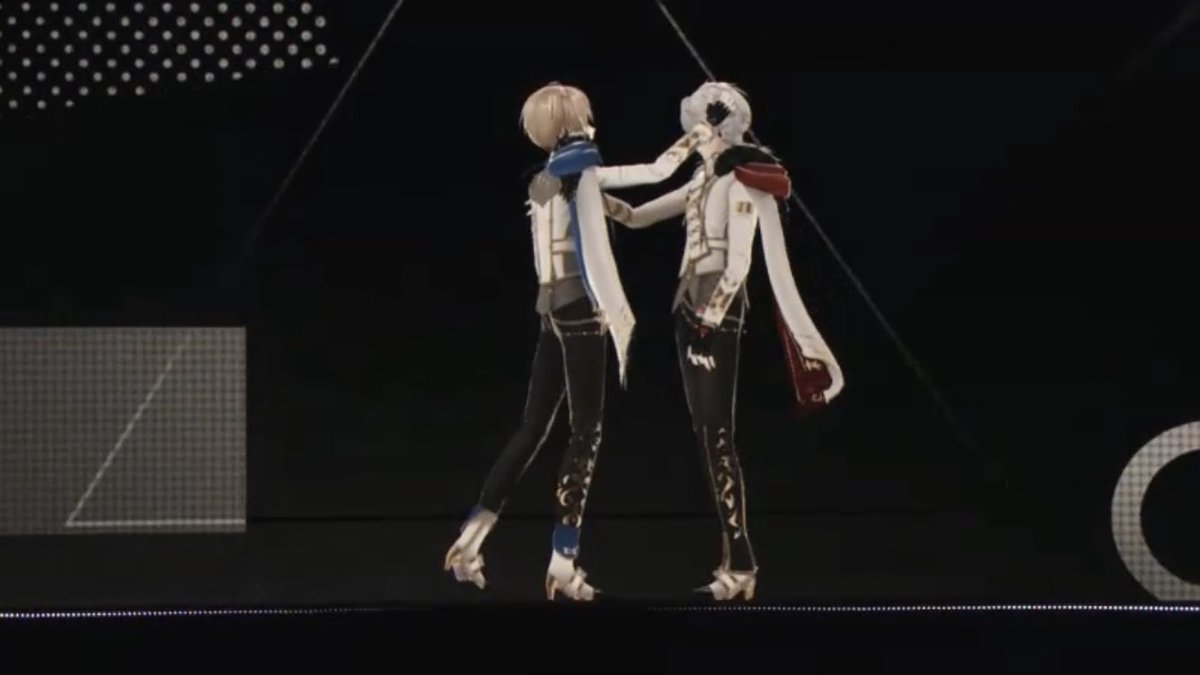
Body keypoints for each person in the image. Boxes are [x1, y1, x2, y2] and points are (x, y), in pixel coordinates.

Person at [443, 82, 717, 601]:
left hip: (551, 307)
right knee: (585, 431)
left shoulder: (545, 180)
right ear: (573, 122)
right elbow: (657, 170)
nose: (593, 124)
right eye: (587, 116)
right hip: (579, 311)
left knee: (533, 427)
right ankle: (563, 559)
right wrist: (698, 136)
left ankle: (470, 538)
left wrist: (649, 205)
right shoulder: (583, 169)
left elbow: (610, 214)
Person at [603, 82, 845, 601]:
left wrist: (709, 321)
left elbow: (739, 263)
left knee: (718, 436)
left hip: (716, 310)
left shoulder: (739, 182)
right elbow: (637, 217)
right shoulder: (701, 180)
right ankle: (736, 562)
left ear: (716, 126)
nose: (691, 133)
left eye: (699, 123)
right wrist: (590, 199)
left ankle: (741, 564)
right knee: (708, 435)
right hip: (686, 303)